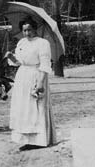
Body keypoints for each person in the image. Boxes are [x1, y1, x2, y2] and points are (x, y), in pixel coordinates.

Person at [6, 16, 56, 150]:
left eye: (30, 30)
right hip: (22, 76)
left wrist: (40, 83)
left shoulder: (42, 43)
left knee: (35, 108)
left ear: (35, 29)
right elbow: (19, 62)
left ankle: (39, 140)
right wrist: (11, 57)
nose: (27, 33)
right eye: (24, 30)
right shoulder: (21, 42)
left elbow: (45, 64)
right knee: (23, 108)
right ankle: (26, 138)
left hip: (36, 75)